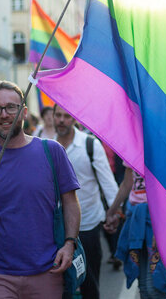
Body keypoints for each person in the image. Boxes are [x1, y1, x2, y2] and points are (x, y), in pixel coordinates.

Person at [0, 81, 81, 299]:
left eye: (11, 107)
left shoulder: (52, 151)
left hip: (47, 271)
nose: (4, 114)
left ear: (24, 112)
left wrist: (69, 244)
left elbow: (70, 202)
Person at [53, 105, 118, 299]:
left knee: (88, 282)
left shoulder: (90, 144)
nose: (61, 120)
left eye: (66, 116)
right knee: (58, 284)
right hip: (55, 228)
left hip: (87, 226)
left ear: (74, 119)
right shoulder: (44, 144)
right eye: (58, 115)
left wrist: (114, 213)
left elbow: (108, 182)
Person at [104, 165, 166, 299]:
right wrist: (112, 211)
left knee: (154, 287)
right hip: (137, 220)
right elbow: (127, 183)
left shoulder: (162, 146)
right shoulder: (132, 146)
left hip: (158, 218)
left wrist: (162, 227)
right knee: (143, 287)